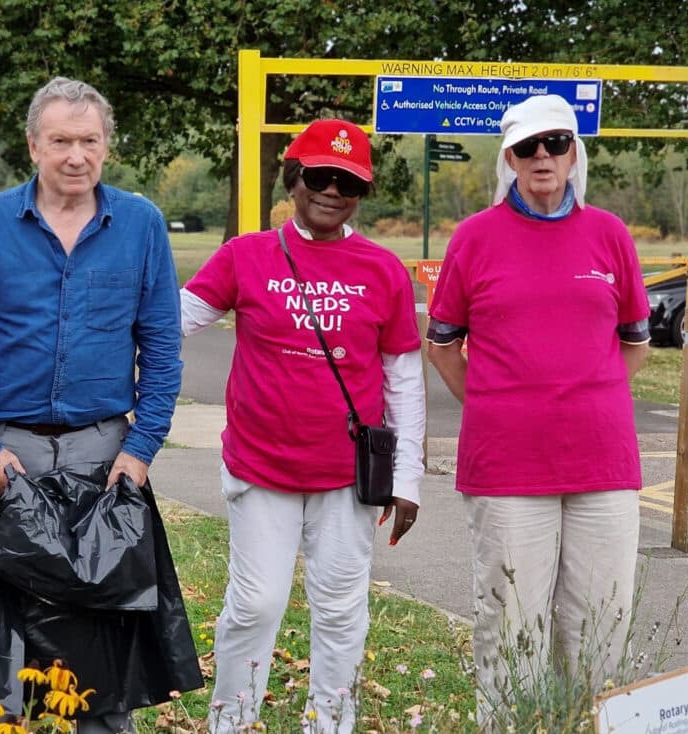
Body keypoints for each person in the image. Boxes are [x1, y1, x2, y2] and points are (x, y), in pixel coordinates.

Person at [0, 76, 184, 733]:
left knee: (101, 652)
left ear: (106, 146)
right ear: (33, 146)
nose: (76, 155)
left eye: (89, 140)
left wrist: (140, 450)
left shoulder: (140, 224)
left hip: (103, 458)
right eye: (61, 141)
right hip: (6, 453)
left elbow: (161, 350)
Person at [181, 118, 426, 734]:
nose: (333, 191)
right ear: (294, 179)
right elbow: (171, 321)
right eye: (319, 175)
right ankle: (231, 722)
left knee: (341, 611)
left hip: (347, 476)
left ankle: (331, 723)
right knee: (255, 604)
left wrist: (409, 476)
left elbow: (402, 379)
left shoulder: (383, 270)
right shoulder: (246, 255)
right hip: (261, 469)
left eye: (349, 182)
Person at [425, 94, 650, 724]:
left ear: (575, 152)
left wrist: (592, 391)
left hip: (603, 464)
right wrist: (495, 404)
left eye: (555, 143)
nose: (543, 157)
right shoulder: (475, 237)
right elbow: (441, 343)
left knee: (600, 627)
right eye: (528, 147)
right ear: (510, 158)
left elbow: (634, 342)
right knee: (511, 626)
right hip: (507, 467)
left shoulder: (609, 234)